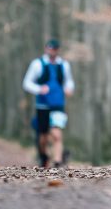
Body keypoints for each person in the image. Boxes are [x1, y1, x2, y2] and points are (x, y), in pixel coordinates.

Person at [22, 38, 75, 168]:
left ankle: (57, 162)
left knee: (57, 134)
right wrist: (39, 89)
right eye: (50, 48)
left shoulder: (64, 65)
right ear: (46, 49)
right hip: (42, 104)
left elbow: (69, 81)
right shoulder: (37, 64)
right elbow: (27, 83)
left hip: (58, 104)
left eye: (55, 49)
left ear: (58, 50)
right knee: (43, 136)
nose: (52, 51)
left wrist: (69, 89)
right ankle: (43, 156)